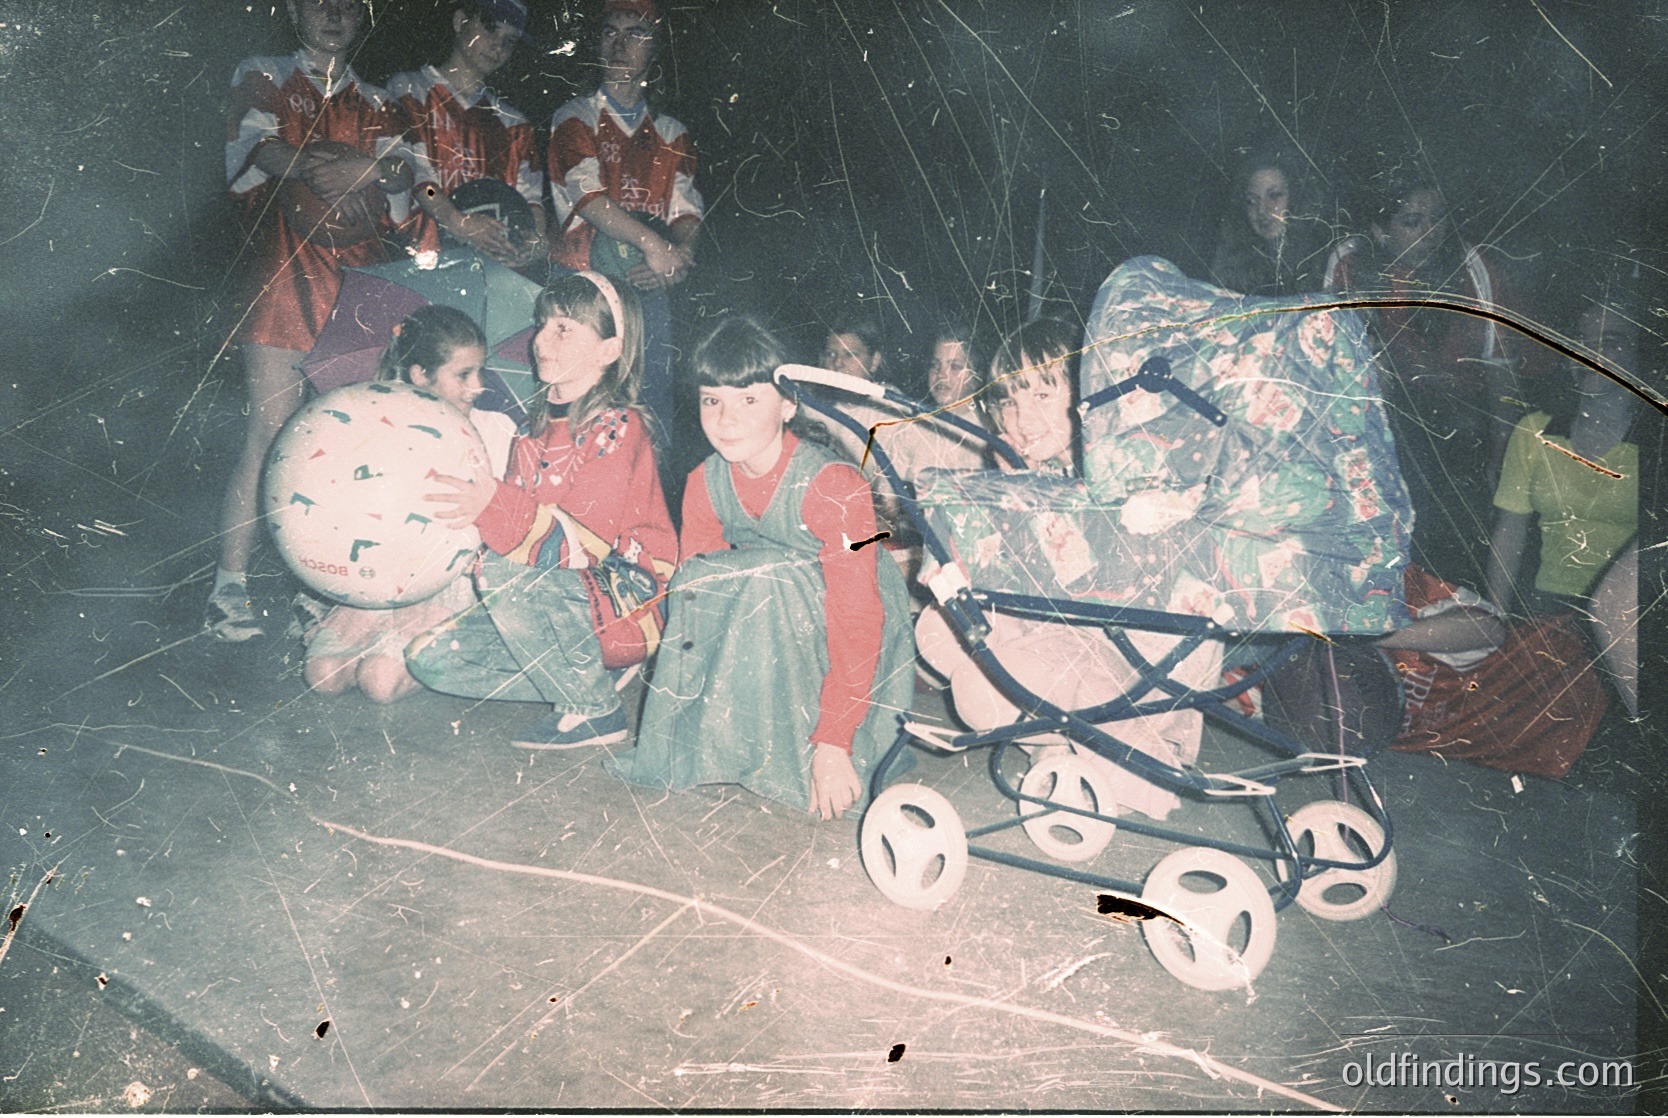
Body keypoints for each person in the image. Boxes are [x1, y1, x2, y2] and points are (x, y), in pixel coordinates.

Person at [606, 317, 915, 820]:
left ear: (788, 405)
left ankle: (810, 745)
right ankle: (738, 742)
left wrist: (836, 745)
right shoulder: (704, 481)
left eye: (748, 399)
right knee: (706, 577)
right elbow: (699, 610)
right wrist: (668, 740)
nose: (726, 420)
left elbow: (859, 624)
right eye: (713, 400)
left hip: (857, 647)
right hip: (773, 618)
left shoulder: (833, 486)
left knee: (765, 577)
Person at [913, 319, 1223, 822]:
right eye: (1009, 400)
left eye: (1041, 393)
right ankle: (1053, 745)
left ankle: (1104, 746)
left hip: (1137, 649)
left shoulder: (1125, 462)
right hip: (1073, 630)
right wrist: (1007, 496)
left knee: (978, 688)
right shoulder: (1038, 470)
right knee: (936, 629)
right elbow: (1022, 582)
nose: (1021, 416)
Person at [207, 0, 414, 641]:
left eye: (350, 4)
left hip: (360, 283)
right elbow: (260, 149)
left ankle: (318, 588)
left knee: (342, 445)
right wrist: (342, 167)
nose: (334, 12)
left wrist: (376, 169)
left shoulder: (381, 101)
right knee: (269, 431)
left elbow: (414, 179)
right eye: (319, 0)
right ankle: (227, 589)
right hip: (281, 276)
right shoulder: (265, 72)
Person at [406, 272, 676, 749]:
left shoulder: (618, 427)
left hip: (627, 602)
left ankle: (596, 711)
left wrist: (490, 501)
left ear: (609, 351)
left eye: (564, 329)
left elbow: (583, 543)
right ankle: (581, 678)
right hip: (561, 602)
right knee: (429, 658)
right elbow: (512, 530)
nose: (540, 340)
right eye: (542, 323)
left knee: (507, 574)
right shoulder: (528, 433)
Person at [1324, 166, 1547, 589]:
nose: (1431, 233)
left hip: (1468, 419)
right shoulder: (1350, 262)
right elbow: (1340, 360)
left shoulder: (1472, 268)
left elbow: (1502, 377)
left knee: (1454, 534)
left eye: (1437, 219)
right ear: (1381, 231)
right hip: (1391, 417)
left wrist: (1502, 455)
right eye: (1412, 222)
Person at [303, 307, 518, 702]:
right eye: (463, 375)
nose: (477, 386)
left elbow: (508, 516)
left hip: (451, 582)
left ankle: (422, 645)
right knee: (322, 676)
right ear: (420, 375)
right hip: (384, 578)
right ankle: (384, 634)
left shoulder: (495, 430)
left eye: (479, 372)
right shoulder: (379, 422)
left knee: (380, 682)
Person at [545, 0, 703, 481]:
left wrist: (680, 257)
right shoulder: (574, 117)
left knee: (649, 416)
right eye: (609, 32)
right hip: (583, 291)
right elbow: (587, 197)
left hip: (645, 292)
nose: (620, 45)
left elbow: (687, 211)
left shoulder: (672, 133)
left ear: (655, 47)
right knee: (582, 410)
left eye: (635, 33)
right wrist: (658, 249)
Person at [1485, 300, 1641, 619]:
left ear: (1641, 355)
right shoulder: (1535, 431)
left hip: (1631, 612)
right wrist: (1494, 616)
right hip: (1548, 606)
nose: (1588, 354)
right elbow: (1509, 531)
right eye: (1580, 342)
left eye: (1610, 343)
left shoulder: (1656, 440)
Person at [389, 0, 546, 267]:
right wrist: (457, 221)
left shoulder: (514, 124)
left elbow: (531, 201)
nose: (497, 46)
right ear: (460, 20)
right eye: (490, 29)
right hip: (420, 258)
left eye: (509, 41)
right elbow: (417, 179)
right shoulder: (408, 89)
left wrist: (537, 241)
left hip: (489, 267)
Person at [1208, 146, 1330, 297]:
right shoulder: (1232, 259)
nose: (1261, 210)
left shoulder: (1322, 257)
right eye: (1252, 201)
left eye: (1274, 196)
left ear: (1295, 199)